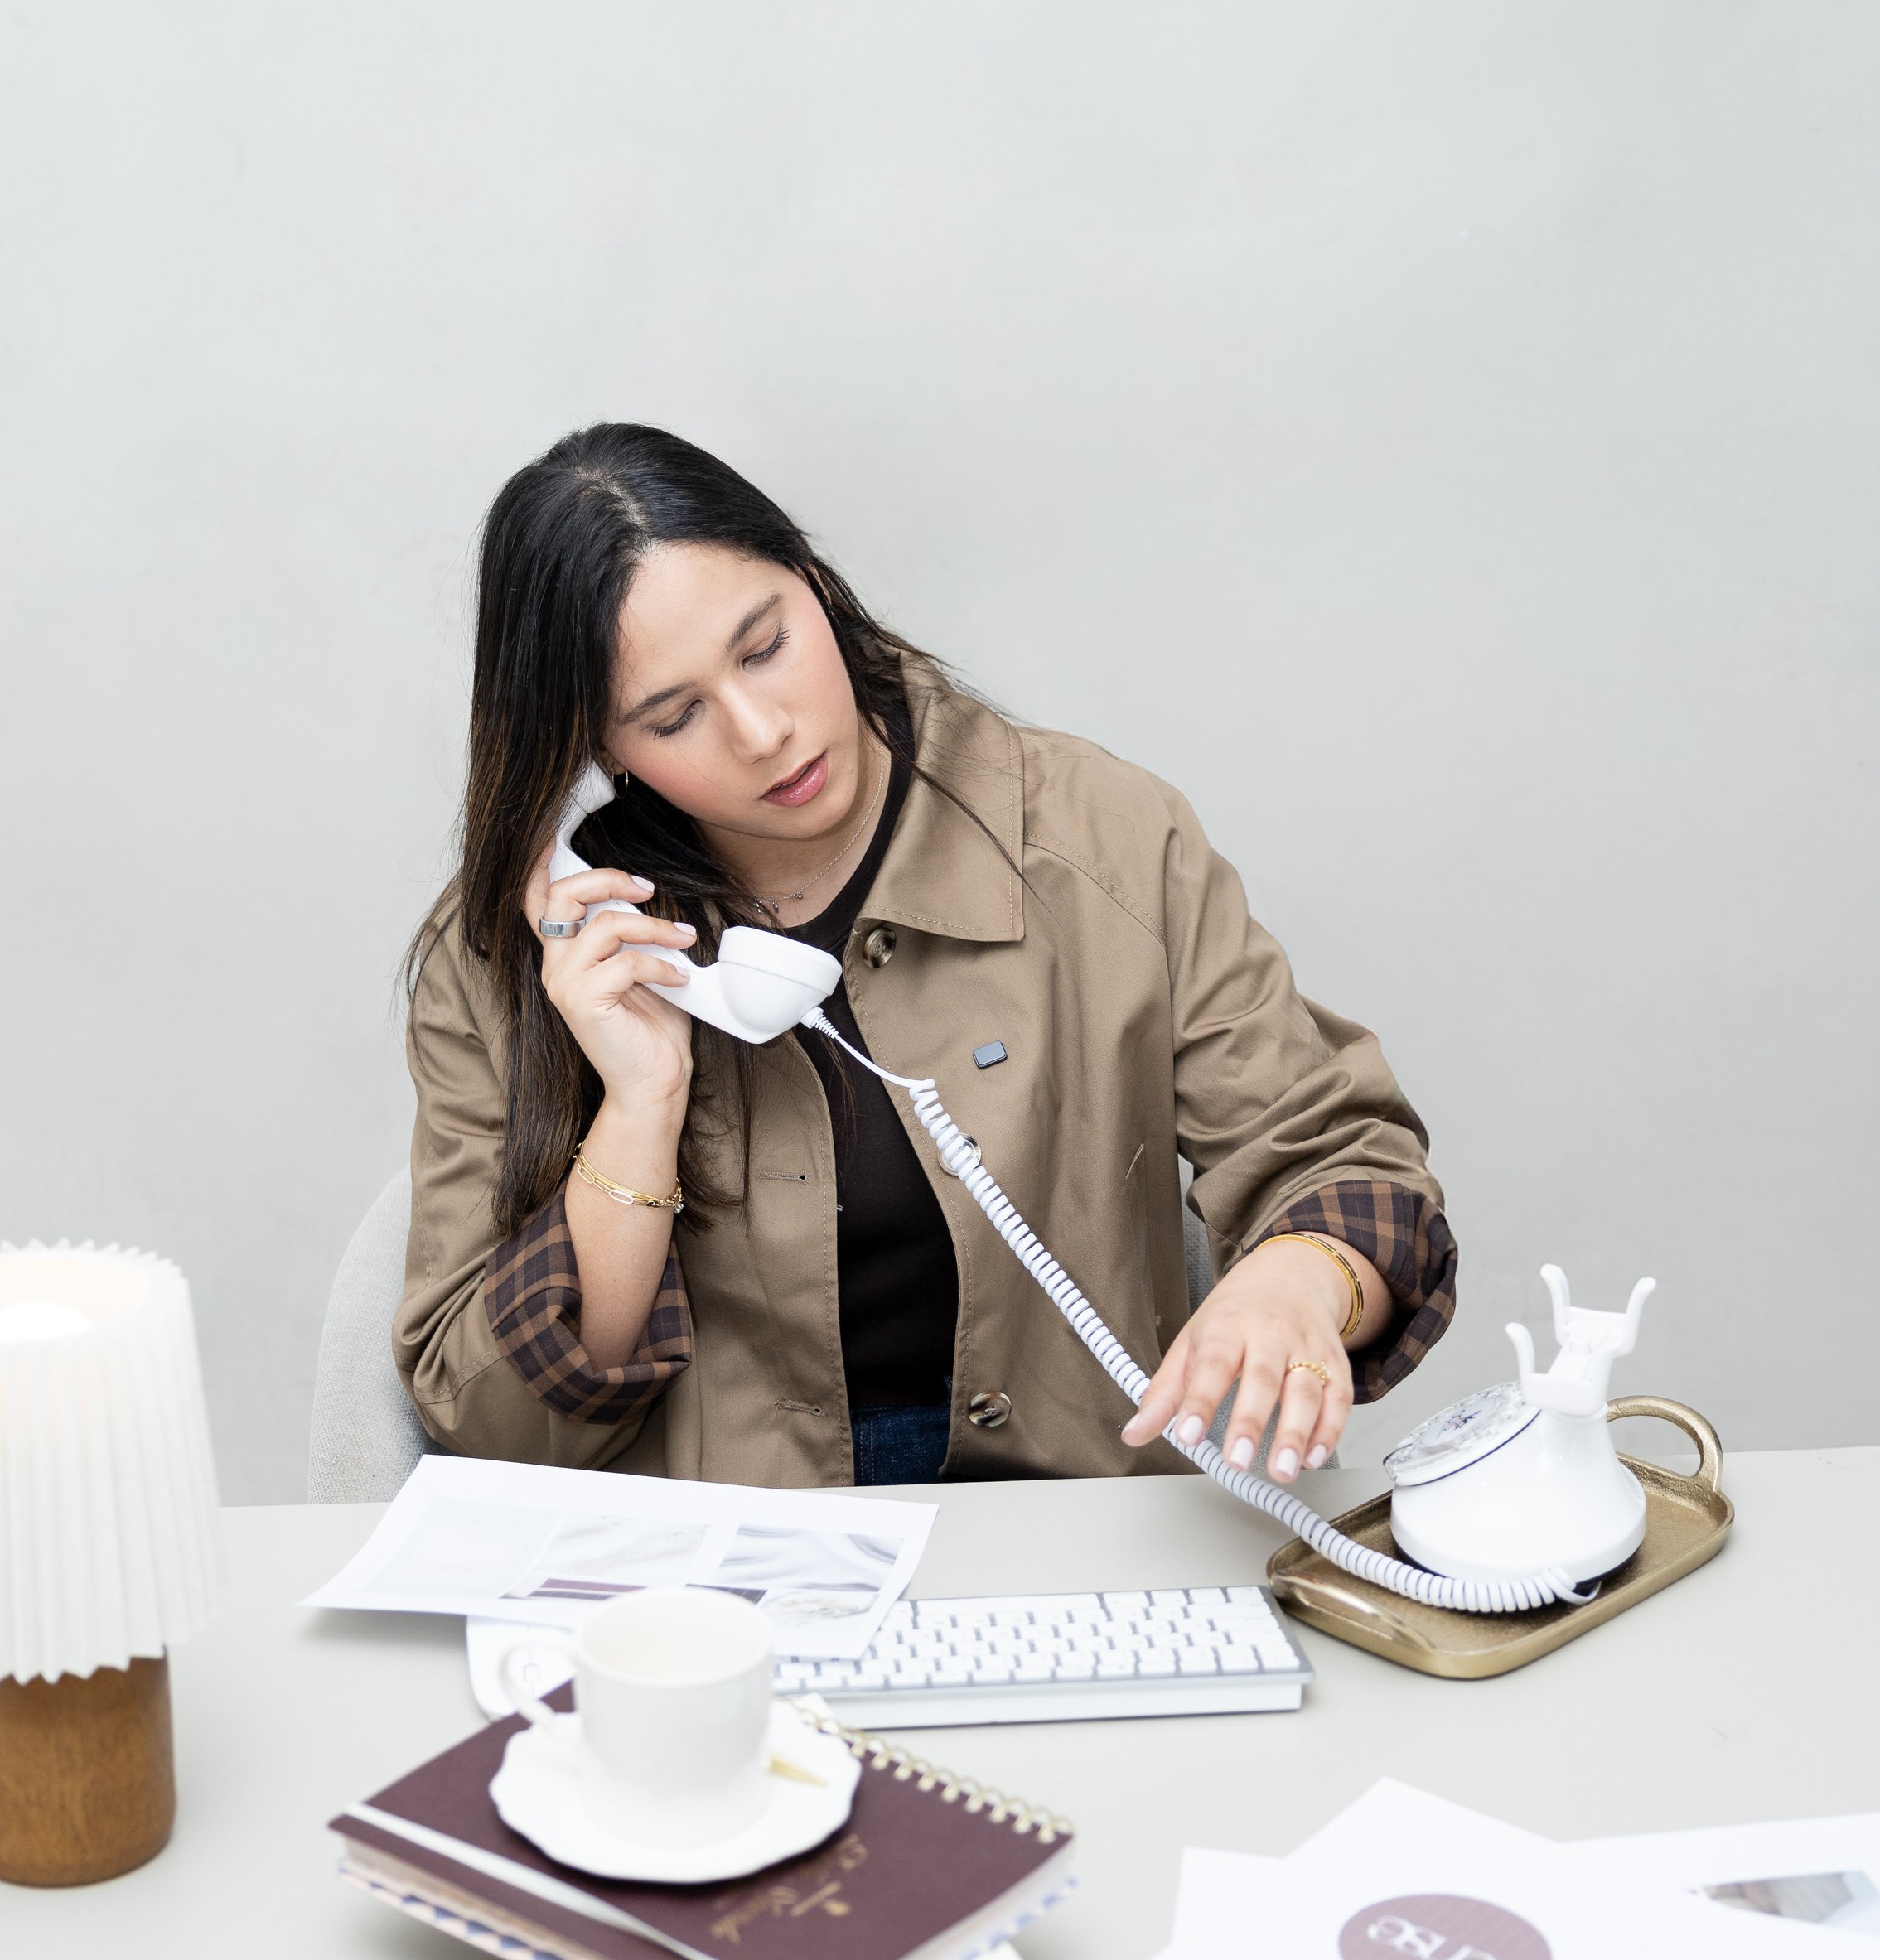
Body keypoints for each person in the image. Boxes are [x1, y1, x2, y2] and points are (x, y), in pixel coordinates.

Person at [395, 424, 1455, 1490]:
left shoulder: (1101, 836)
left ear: (816, 583)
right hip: (723, 1558)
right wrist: (639, 1106)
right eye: (673, 718)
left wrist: (1299, 1280)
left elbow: (1342, 1164)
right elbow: (485, 1427)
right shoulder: (507, 960)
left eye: (764, 648)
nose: (761, 732)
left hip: (1075, 1520)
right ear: (597, 752)